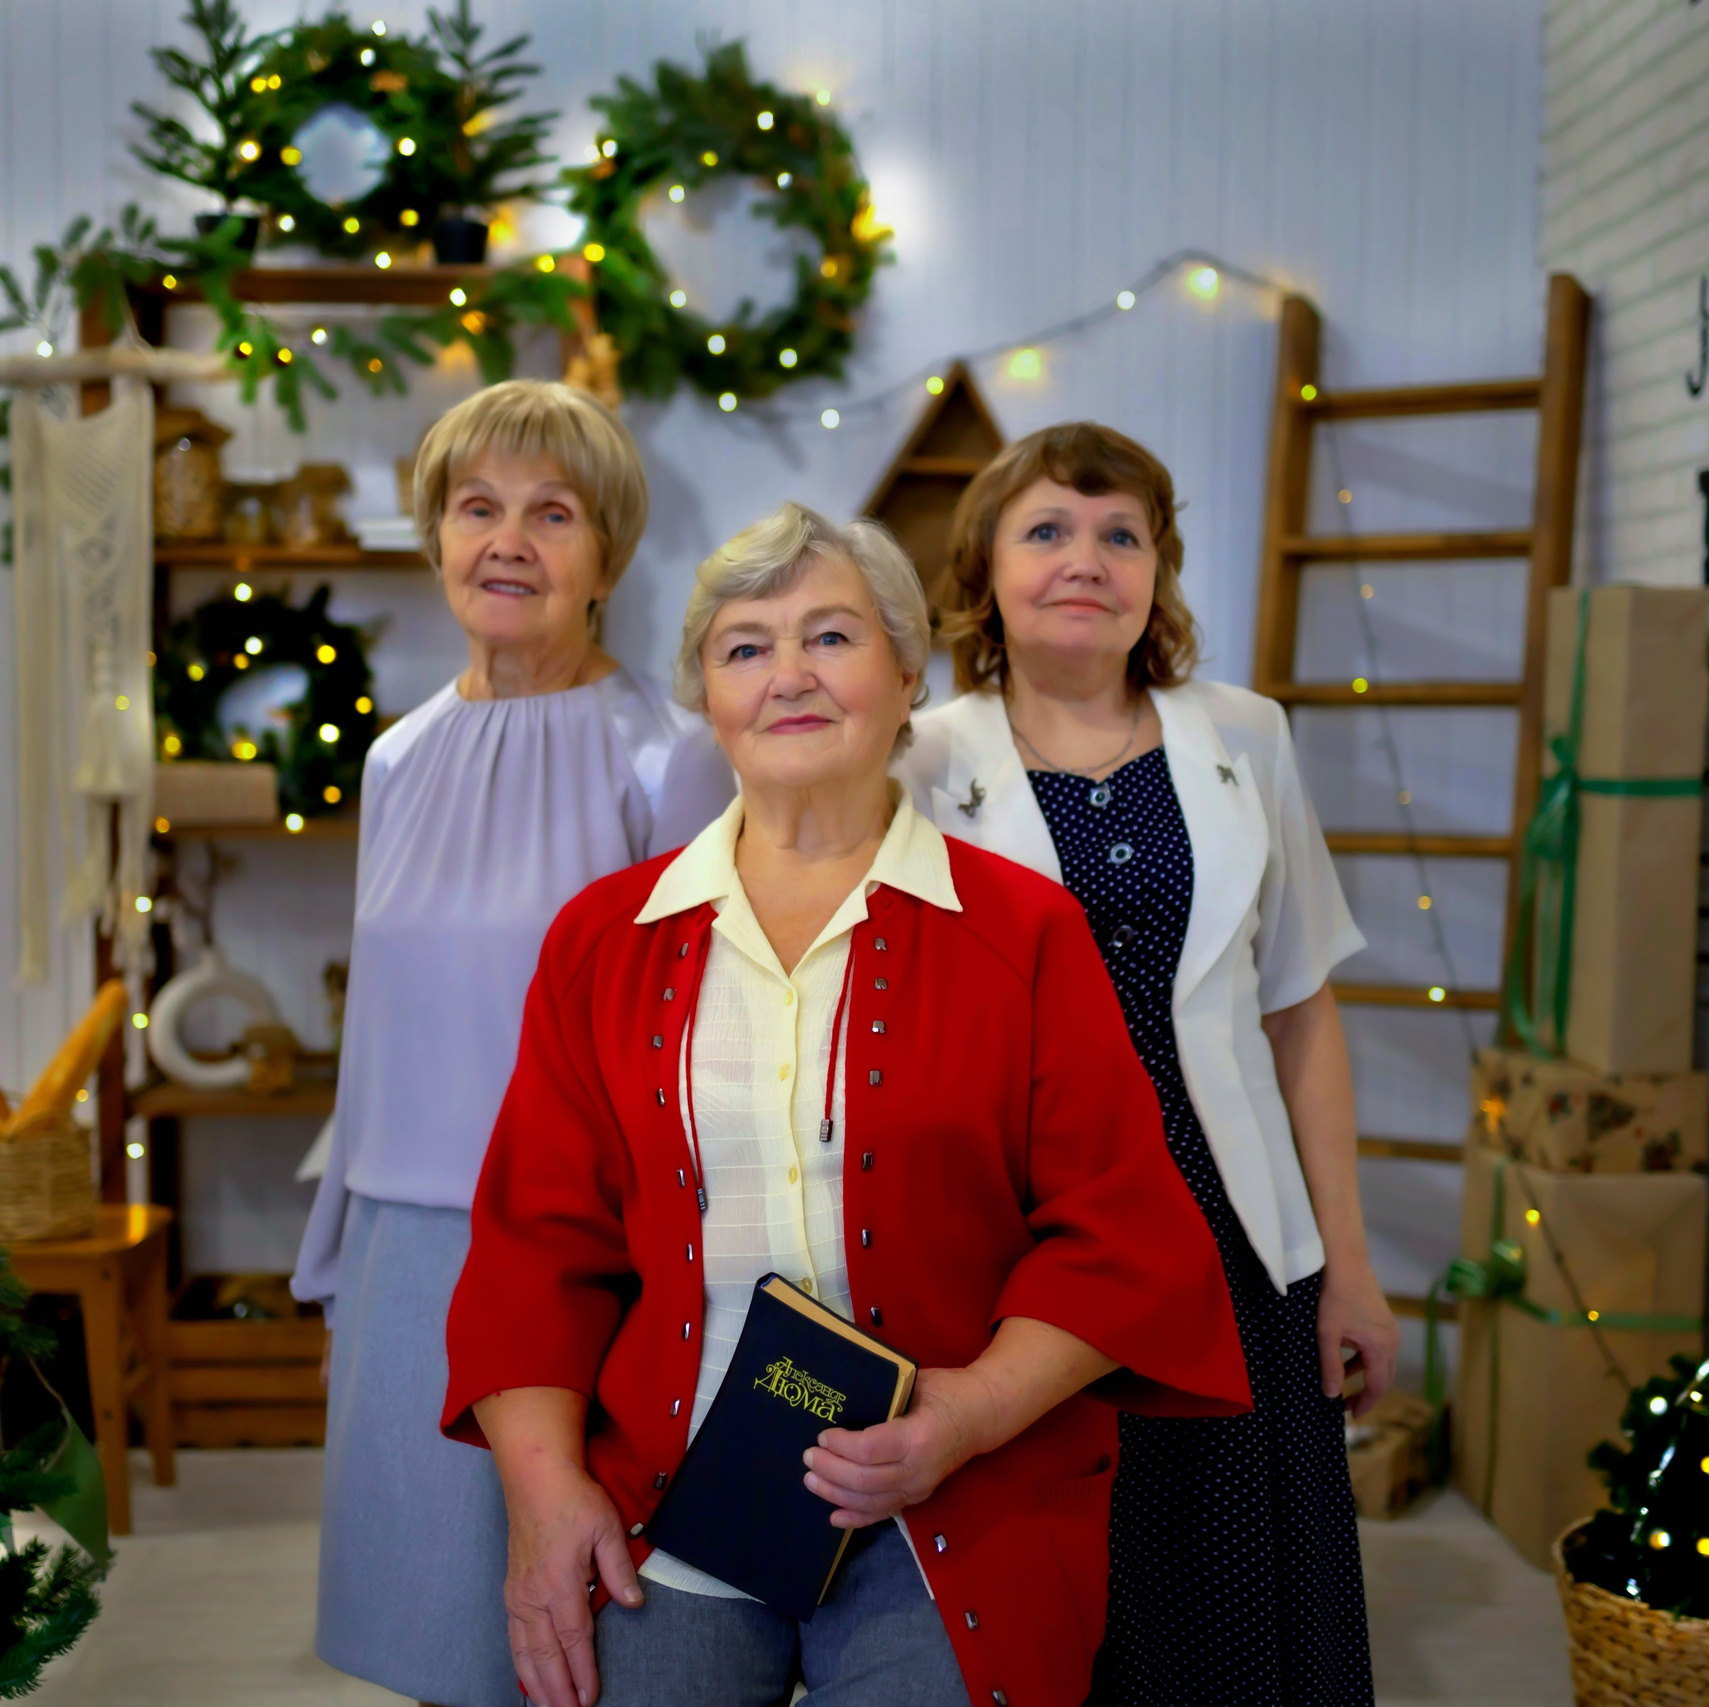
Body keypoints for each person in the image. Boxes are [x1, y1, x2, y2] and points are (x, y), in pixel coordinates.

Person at [440, 502, 1251, 1707]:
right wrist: (543, 1490)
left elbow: (1120, 1236)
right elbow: (534, 1251)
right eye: (745, 647)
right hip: (670, 1497)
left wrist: (967, 1415)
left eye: (830, 636)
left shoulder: (1025, 931)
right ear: (707, 697)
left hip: (954, 1494)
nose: (789, 676)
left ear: (906, 673)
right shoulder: (601, 941)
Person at [894, 420, 1399, 1707]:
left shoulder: (1245, 736)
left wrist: (1347, 1266)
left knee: (1231, 1600)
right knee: (1061, 1584)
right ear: (984, 569)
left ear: (1158, 571)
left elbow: (1298, 1010)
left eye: (1120, 534)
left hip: (1228, 1237)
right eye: (1046, 531)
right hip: (1033, 1249)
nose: (1086, 559)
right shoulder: (920, 759)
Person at [289, 379, 733, 1707]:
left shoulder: (670, 758)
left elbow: (697, 1033)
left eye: (553, 513)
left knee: (575, 1643)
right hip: (404, 1249)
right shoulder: (397, 759)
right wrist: (338, 1258)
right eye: (476, 507)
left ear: (607, 555)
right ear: (436, 535)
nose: (508, 541)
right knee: (436, 1645)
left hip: (579, 1253)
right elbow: (376, 1026)